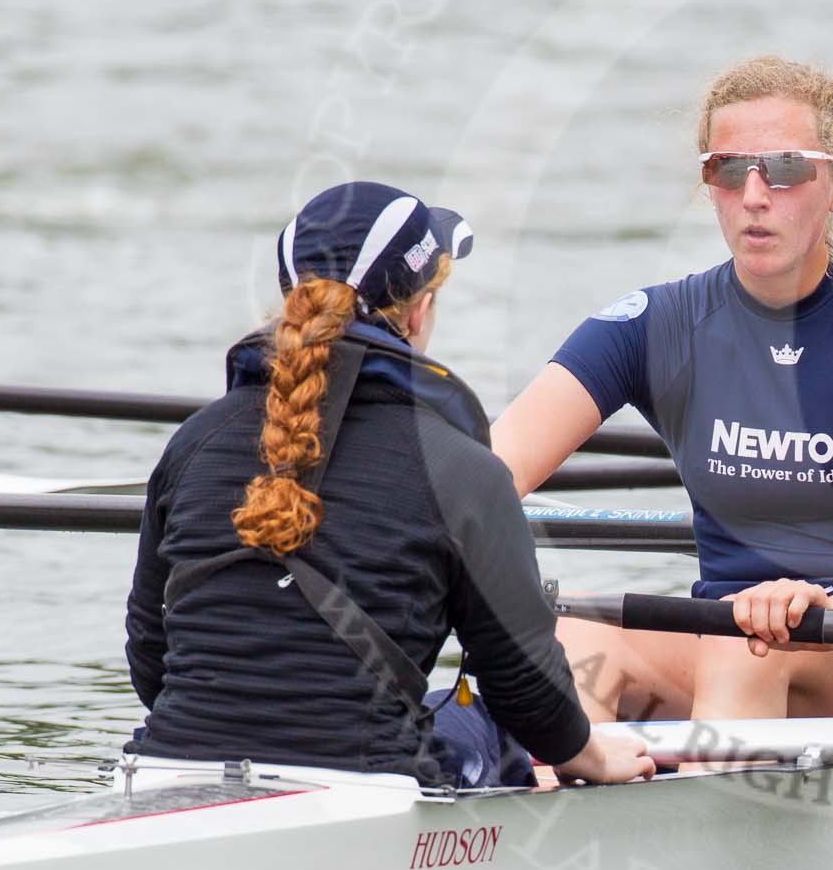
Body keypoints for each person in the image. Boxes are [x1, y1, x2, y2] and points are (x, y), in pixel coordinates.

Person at [493, 56, 833, 724]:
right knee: (571, 633)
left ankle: (702, 820)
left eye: (785, 169)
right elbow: (488, 475)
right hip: (733, 638)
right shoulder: (658, 325)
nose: (755, 193)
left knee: (749, 648)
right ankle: (557, 808)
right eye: (729, 169)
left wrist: (822, 613)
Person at [126, 182, 652, 789]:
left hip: (163, 770)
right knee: (478, 722)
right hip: (361, 784)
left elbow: (150, 655)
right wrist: (589, 755)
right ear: (417, 310)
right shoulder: (461, 469)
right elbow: (522, 683)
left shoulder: (193, 442)